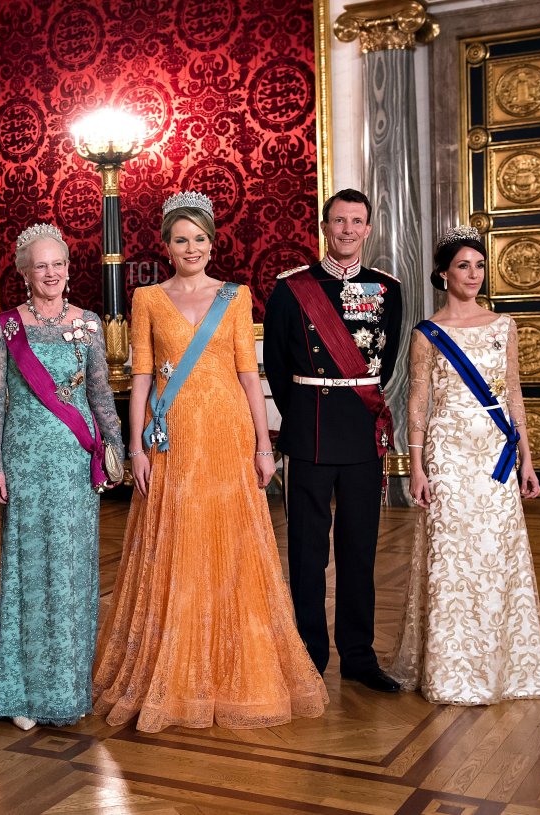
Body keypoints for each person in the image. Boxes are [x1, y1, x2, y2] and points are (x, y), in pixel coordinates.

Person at [91, 191, 327, 733]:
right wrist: (134, 447)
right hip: (171, 439)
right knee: (175, 545)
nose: (191, 247)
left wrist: (263, 445)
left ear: (211, 241)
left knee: (233, 545)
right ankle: (172, 672)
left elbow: (250, 373)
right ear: (167, 246)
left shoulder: (236, 296)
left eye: (199, 238)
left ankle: (232, 671)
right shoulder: (148, 298)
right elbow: (142, 378)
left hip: (227, 434)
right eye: (181, 239)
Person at [388, 226, 540, 704]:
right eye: (463, 265)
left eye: (479, 265)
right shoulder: (428, 333)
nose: (474, 274)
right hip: (448, 455)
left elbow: (514, 391)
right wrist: (416, 467)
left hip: (497, 457)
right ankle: (451, 671)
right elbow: (417, 400)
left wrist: (526, 458)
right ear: (443, 274)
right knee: (452, 560)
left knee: (497, 555)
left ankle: (507, 669)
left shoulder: (504, 325)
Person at [0, 224, 124, 731]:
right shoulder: (6, 327)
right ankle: (19, 693)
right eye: (39, 265)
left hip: (73, 466)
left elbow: (101, 395)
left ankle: (67, 689)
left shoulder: (87, 323)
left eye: (57, 264)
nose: (50, 273)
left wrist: (114, 451)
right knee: (27, 574)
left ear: (68, 268)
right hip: (24, 464)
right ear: (23, 272)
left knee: (70, 576)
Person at [263, 188, 403, 692]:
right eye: (338, 220)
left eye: (357, 221)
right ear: (324, 227)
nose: (347, 229)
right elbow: (276, 364)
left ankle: (360, 656)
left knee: (359, 547)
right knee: (306, 550)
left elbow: (385, 363)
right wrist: (300, 414)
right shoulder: (293, 288)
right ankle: (308, 655)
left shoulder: (387, 288)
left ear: (368, 228)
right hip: (312, 429)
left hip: (362, 430)